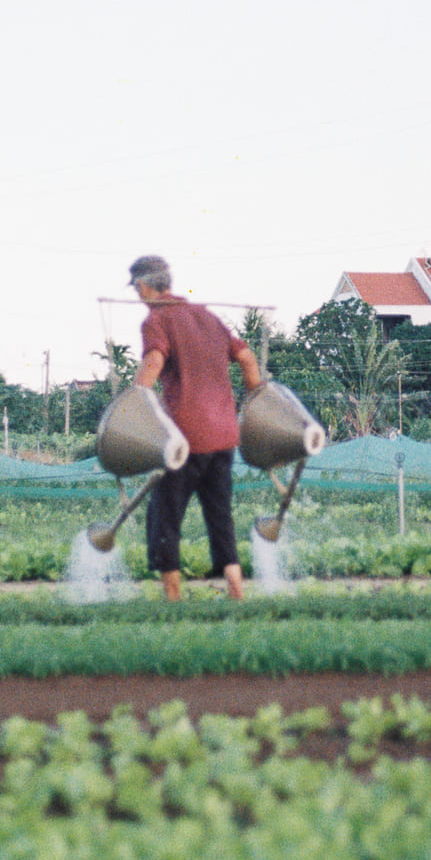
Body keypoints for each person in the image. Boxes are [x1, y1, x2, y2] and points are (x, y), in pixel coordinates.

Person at [128, 253, 265, 602]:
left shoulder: (157, 319)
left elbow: (154, 360)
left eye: (136, 287)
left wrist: (132, 402)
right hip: (224, 437)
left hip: (184, 439)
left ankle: (173, 600)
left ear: (144, 285)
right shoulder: (206, 316)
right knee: (220, 517)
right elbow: (247, 358)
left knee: (165, 517)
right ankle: (236, 593)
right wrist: (256, 400)